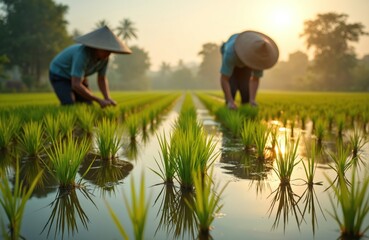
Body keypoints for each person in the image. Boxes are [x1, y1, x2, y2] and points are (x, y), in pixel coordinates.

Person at [49, 26, 131, 108]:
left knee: (88, 104)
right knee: (69, 104)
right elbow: (76, 84)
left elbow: (101, 79)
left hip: (78, 77)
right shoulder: (82, 54)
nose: (108, 54)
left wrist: (107, 98)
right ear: (96, 47)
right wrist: (98, 100)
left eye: (110, 51)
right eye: (105, 50)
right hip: (60, 74)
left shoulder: (105, 58)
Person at [220, 30, 279, 109]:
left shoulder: (261, 56)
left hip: (246, 63)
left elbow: (255, 79)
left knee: (246, 93)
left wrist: (252, 100)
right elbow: (224, 79)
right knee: (232, 88)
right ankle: (230, 103)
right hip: (234, 57)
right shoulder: (230, 53)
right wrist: (230, 101)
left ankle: (246, 108)